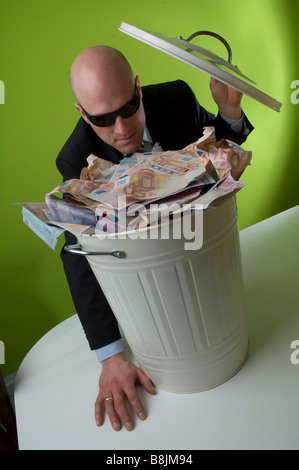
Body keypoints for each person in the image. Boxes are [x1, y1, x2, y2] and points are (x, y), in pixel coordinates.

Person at [56, 45, 253, 432]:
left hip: (210, 263)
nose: (121, 128)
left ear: (138, 88)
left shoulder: (177, 98)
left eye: (129, 108)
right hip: (155, 294)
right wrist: (109, 356)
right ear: (82, 114)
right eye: (101, 118)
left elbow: (221, 154)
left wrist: (228, 113)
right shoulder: (76, 157)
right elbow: (78, 252)